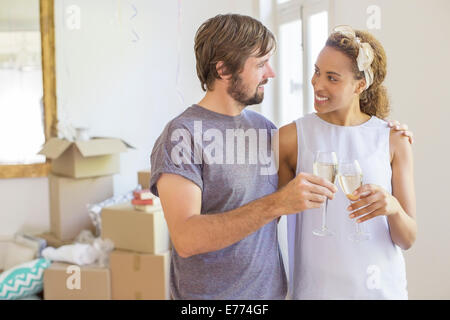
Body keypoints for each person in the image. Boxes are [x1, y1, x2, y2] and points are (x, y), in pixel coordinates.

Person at [150, 14, 413, 300]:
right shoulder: (182, 135)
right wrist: (277, 203)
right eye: (261, 64)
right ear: (224, 70)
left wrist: (384, 133)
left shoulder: (265, 132)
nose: (271, 73)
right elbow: (186, 239)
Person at [277, 25, 417, 299]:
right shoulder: (291, 137)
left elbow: (408, 239)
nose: (318, 84)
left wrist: (393, 207)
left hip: (381, 291)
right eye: (317, 72)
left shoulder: (393, 139)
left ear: (360, 85)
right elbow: (267, 217)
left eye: (332, 78)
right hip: (316, 292)